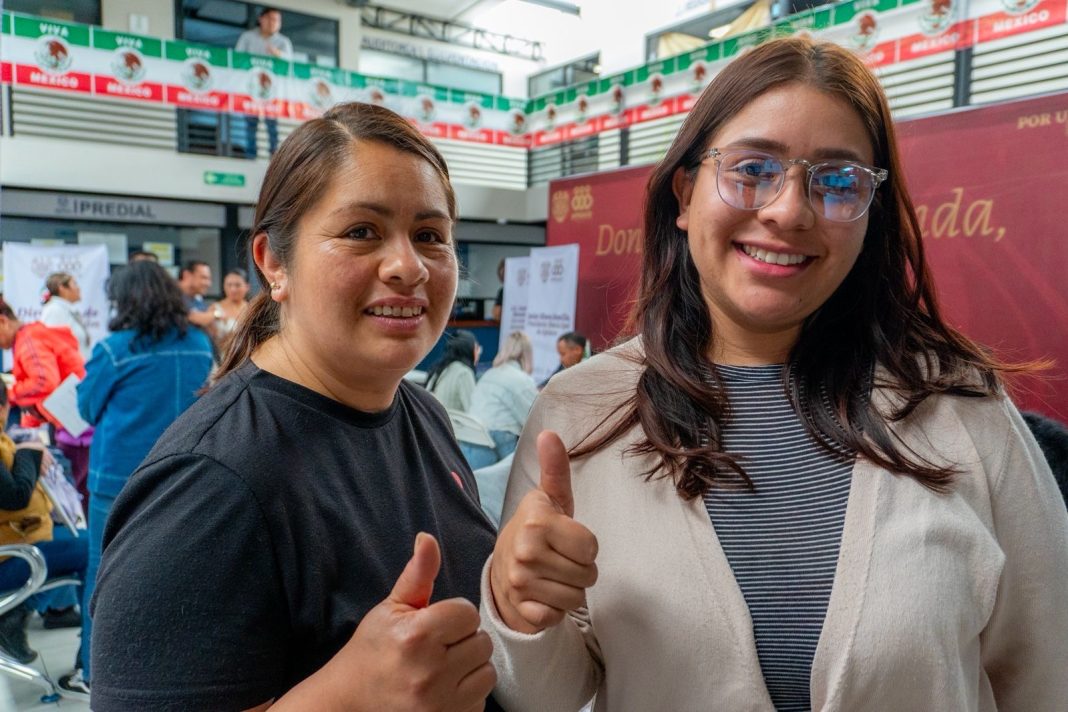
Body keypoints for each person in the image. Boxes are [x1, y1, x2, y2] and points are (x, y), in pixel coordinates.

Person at [482, 38, 1068, 711]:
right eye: (751, 169)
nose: (788, 210)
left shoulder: (960, 409)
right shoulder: (579, 412)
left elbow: (1050, 673)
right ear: (685, 192)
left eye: (837, 181)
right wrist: (524, 611)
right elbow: (547, 697)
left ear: (869, 213)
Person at [90, 102, 500, 711]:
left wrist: (514, 595)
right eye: (361, 231)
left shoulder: (423, 415)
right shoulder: (209, 487)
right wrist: (345, 698)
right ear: (273, 262)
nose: (407, 266)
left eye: (429, 236)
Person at [69, 260, 215, 697]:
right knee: (177, 568)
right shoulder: (198, 344)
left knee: (103, 573)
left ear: (125, 300)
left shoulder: (115, 349)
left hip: (117, 477)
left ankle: (94, 672)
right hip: (183, 472)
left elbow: (86, 410)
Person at [0, 386, 87, 667]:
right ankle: (90, 660)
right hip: (9, 556)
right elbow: (14, 496)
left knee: (75, 541)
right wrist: (28, 453)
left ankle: (19, 613)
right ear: (4, 407)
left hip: (14, 545)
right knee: (93, 551)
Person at [468, 330, 537, 462]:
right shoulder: (522, 380)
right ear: (527, 354)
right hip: (500, 439)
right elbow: (534, 419)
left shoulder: (488, 374)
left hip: (473, 437)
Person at [235, 7, 292, 159]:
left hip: (272, 92)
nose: (275, 23)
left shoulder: (283, 42)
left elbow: (290, 64)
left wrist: (277, 54)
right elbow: (237, 59)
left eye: (277, 20)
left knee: (272, 125)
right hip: (251, 90)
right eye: (272, 19)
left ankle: (274, 158)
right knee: (250, 124)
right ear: (262, 19)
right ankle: (250, 155)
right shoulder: (247, 37)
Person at [41, 272, 91, 361]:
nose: (78, 288)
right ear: (62, 288)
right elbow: (50, 348)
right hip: (69, 374)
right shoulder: (54, 310)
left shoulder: (65, 310)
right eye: (74, 284)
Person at [426, 329, 480, 412]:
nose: (478, 352)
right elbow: (474, 411)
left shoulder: (439, 370)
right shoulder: (464, 373)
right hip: (452, 424)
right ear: (468, 349)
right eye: (476, 348)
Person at [211, 267, 251, 353]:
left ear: (247, 287)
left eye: (237, 285)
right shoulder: (215, 308)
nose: (233, 289)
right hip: (220, 356)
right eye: (229, 285)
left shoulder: (251, 309)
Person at [178, 259, 216, 338]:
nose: (208, 284)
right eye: (204, 278)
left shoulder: (197, 298)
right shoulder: (172, 295)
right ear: (187, 275)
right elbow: (194, 318)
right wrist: (216, 314)